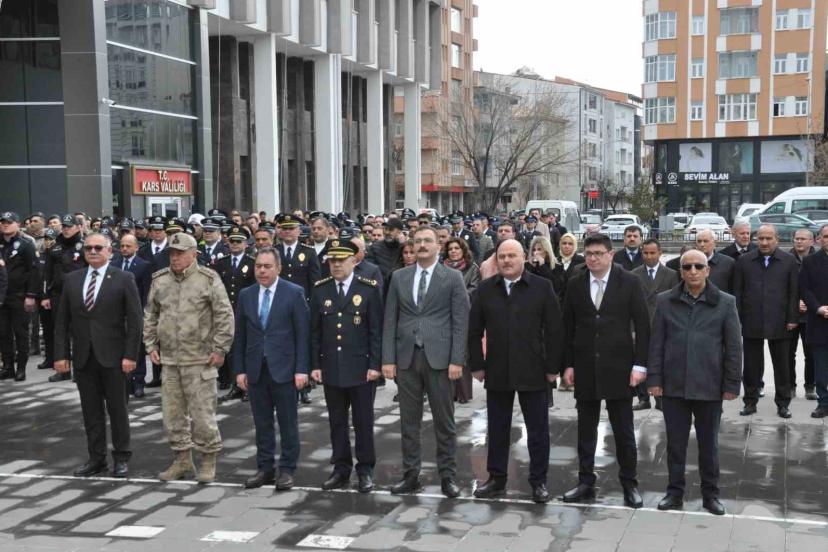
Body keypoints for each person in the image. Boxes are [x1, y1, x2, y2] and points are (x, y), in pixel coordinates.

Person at [647, 249, 742, 516]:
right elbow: (657, 344)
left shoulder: (725, 303)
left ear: (707, 270)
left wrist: (731, 383)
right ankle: (674, 493)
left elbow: (734, 347)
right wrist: (654, 379)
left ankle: (711, 495)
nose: (692, 271)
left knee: (709, 445)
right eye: (687, 267)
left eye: (698, 266)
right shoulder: (665, 301)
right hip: (674, 386)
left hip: (709, 385)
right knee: (675, 445)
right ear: (680, 271)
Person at [468, 239, 563, 503]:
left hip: (534, 369)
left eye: (512, 255)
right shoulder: (486, 289)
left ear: (524, 258)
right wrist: (477, 365)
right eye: (502, 256)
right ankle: (497, 478)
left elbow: (555, 329)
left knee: (537, 429)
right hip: (498, 368)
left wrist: (553, 368)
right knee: (497, 428)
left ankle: (538, 481)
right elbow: (474, 330)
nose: (507, 260)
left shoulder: (542, 287)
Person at [561, 233, 650, 508]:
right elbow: (567, 327)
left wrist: (640, 365)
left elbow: (643, 325)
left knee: (623, 430)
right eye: (589, 254)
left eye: (598, 253)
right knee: (586, 430)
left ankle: (629, 483)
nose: (593, 259)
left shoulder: (629, 282)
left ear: (611, 254)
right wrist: (568, 364)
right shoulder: (576, 283)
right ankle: (585, 481)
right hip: (585, 366)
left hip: (619, 367)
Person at [382, 225, 470, 498]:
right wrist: (388, 359)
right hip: (407, 358)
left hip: (440, 359)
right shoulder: (399, 277)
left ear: (437, 246)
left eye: (427, 241)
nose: (421, 245)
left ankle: (448, 476)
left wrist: (457, 360)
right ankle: (410, 475)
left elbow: (461, 321)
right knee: (409, 422)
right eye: (417, 240)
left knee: (445, 422)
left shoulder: (453, 277)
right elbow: (390, 320)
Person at [143, 232, 235, 483]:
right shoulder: (160, 280)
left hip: (200, 360)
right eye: (171, 254)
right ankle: (182, 460)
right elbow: (151, 314)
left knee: (203, 415)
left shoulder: (208, 279)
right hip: (170, 361)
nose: (174, 258)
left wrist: (220, 348)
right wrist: (150, 344)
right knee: (172, 416)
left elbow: (224, 315)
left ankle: (208, 461)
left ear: (194, 254)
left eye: (180, 253)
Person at [53, 232, 143, 478]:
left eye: (98, 248)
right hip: (84, 357)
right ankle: (96, 459)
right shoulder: (72, 280)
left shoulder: (124, 278)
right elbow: (62, 322)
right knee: (91, 412)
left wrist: (131, 355)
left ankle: (121, 457)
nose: (92, 251)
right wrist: (61, 355)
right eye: (88, 248)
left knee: (118, 411)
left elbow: (135, 321)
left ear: (109, 251)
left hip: (114, 358)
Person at [233, 247, 309, 491]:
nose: (262, 271)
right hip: (256, 369)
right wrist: (240, 370)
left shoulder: (294, 293)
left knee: (288, 423)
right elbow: (240, 335)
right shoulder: (246, 294)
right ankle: (265, 468)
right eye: (258, 266)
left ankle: (287, 469)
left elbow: (302, 334)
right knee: (262, 423)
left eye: (267, 266)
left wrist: (302, 369)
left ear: (278, 268)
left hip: (285, 369)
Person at [310, 240, 382, 493]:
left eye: (341, 260)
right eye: (332, 260)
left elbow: (375, 331)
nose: (337, 265)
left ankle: (365, 468)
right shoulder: (321, 289)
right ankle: (341, 468)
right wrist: (315, 364)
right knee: (337, 421)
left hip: (361, 368)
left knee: (363, 421)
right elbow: (315, 332)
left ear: (354, 261)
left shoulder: (368, 289)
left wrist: (375, 365)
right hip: (332, 367)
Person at [733, 225, 799, 418]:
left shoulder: (788, 261)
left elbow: (794, 291)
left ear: (777, 239)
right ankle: (750, 402)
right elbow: (737, 292)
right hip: (751, 319)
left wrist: (792, 318)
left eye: (768, 238)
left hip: (780, 320)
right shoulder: (745, 261)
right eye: (760, 238)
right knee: (751, 365)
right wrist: (737, 319)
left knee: (782, 365)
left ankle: (783, 403)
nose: (764, 242)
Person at [631, 238, 680, 411]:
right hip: (641, 325)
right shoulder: (634, 274)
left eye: (653, 253)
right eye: (645, 253)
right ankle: (643, 398)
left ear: (660, 253)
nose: (649, 256)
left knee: (661, 362)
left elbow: (675, 302)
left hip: (662, 324)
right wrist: (632, 329)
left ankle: (660, 398)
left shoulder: (671, 274)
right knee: (640, 360)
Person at [41, 214, 87, 382]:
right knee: (60, 331)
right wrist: (45, 295)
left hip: (79, 295)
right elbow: (47, 273)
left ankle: (80, 369)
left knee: (80, 332)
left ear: (78, 227)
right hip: (58, 294)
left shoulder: (85, 246)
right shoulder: (55, 247)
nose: (66, 229)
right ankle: (63, 370)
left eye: (69, 226)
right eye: (64, 226)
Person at [215, 227, 257, 402]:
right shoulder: (221, 263)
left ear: (246, 244)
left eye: (238, 241)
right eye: (232, 241)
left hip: (246, 312)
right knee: (232, 351)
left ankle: (248, 387)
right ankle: (235, 385)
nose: (234, 244)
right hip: (226, 313)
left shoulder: (252, 262)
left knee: (247, 349)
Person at [111, 234, 152, 398]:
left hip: (136, 313)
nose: (124, 249)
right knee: (120, 349)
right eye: (122, 246)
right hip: (117, 314)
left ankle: (138, 382)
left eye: (128, 246)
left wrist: (143, 314)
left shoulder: (144, 265)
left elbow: (146, 292)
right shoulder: (114, 264)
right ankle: (125, 383)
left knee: (137, 350)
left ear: (136, 247)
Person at [0, 212, 39, 382]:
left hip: (19, 295)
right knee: (3, 333)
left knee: (20, 332)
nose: (5, 225)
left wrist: (30, 295)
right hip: (2, 296)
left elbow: (33, 271)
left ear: (17, 224)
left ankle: (21, 368)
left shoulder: (25, 245)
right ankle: (8, 367)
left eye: (9, 222)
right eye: (3, 222)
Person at [442, 237, 480, 404]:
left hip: (465, 313)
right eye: (450, 249)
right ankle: (449, 392)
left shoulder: (473, 268)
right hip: (445, 314)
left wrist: (457, 295)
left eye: (456, 248)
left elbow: (474, 289)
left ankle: (463, 393)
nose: (453, 251)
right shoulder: (441, 268)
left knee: (462, 352)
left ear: (463, 250)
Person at [799, 224, 828, 418]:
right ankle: (824, 403)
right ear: (818, 239)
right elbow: (805, 289)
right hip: (819, 321)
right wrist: (818, 308)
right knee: (821, 366)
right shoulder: (810, 261)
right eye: (826, 236)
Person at [789, 228, 817, 400]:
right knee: (788, 353)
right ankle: (790, 386)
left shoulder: (818, 259)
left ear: (811, 241)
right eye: (796, 238)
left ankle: (810, 386)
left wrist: (809, 303)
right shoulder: (786, 259)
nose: (799, 241)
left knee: (811, 354)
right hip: (791, 314)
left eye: (803, 239)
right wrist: (795, 303)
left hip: (812, 314)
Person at [366, 218, 404, 284]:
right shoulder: (374, 247)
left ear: (399, 232)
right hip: (379, 285)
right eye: (386, 229)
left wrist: (402, 245)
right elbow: (369, 269)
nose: (387, 232)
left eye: (391, 230)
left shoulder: (404, 247)